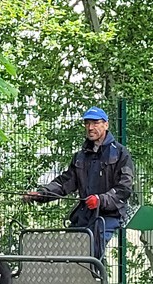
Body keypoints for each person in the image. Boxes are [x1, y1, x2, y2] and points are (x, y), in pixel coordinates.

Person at [25, 106, 134, 257]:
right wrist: (41, 194)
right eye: (87, 123)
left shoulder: (121, 153)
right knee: (70, 252)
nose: (90, 127)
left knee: (92, 252)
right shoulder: (80, 156)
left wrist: (100, 200)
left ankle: (96, 278)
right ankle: (84, 279)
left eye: (95, 123)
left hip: (109, 216)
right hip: (84, 214)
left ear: (106, 125)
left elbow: (124, 188)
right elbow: (64, 183)